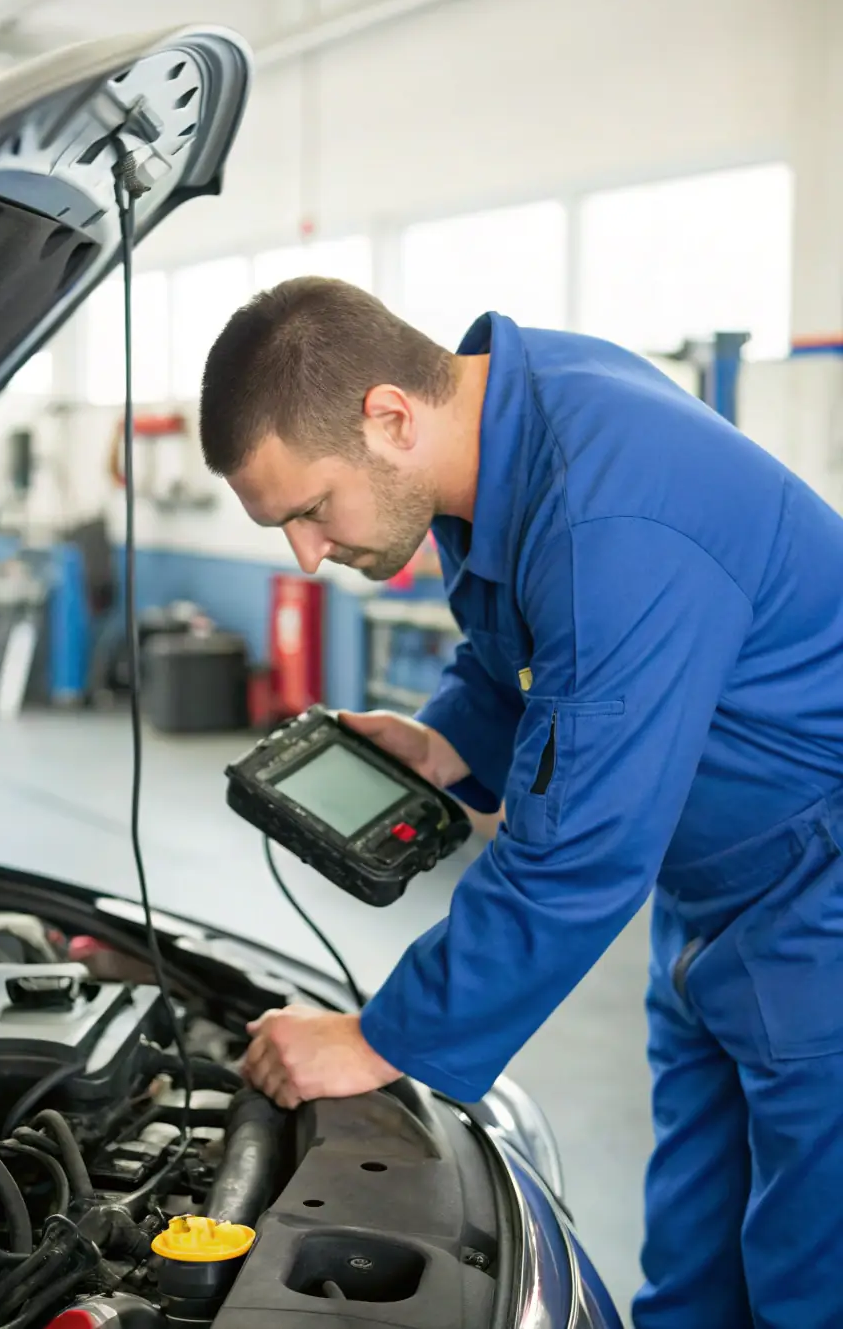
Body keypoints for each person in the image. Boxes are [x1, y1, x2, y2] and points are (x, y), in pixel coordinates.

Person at [198, 277, 843, 1329]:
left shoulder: (613, 514)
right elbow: (532, 647)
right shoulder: (523, 415)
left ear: (389, 417)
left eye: (310, 510)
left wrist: (382, 1037)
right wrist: (449, 741)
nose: (305, 555)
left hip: (820, 897)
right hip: (718, 889)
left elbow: (576, 855)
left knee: (813, 1276)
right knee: (693, 1263)